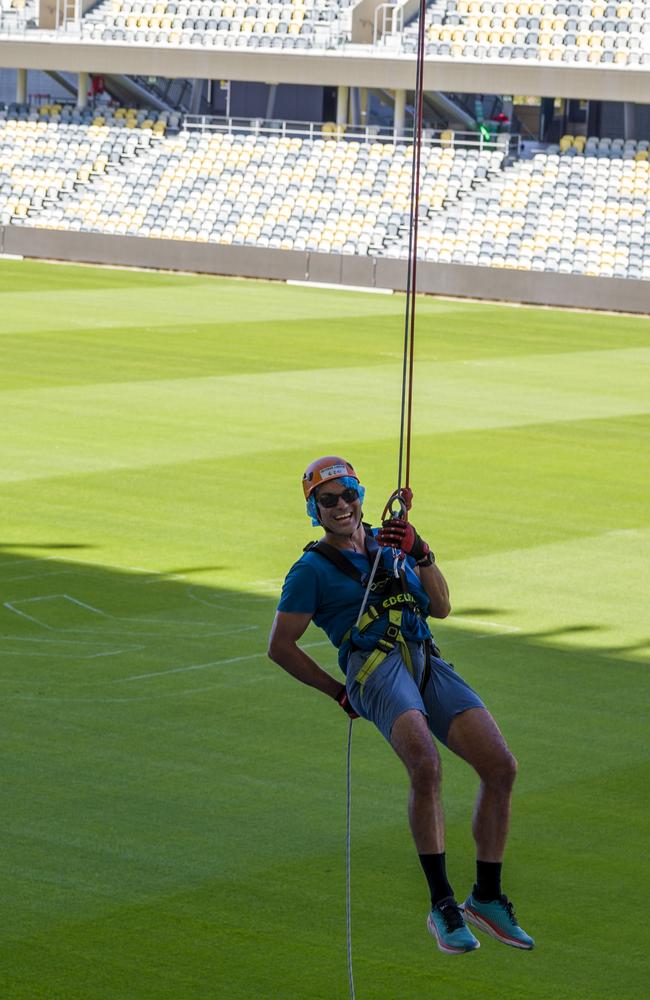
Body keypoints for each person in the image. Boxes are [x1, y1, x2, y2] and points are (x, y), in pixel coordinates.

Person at [268, 456, 534, 955]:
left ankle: (487, 897)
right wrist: (337, 691)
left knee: (500, 767)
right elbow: (280, 645)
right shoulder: (310, 571)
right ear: (314, 509)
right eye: (329, 500)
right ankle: (443, 904)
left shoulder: (392, 544)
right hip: (375, 669)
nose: (343, 505)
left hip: (423, 657)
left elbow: (441, 607)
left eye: (349, 494)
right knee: (426, 766)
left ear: (360, 495)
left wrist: (423, 552)